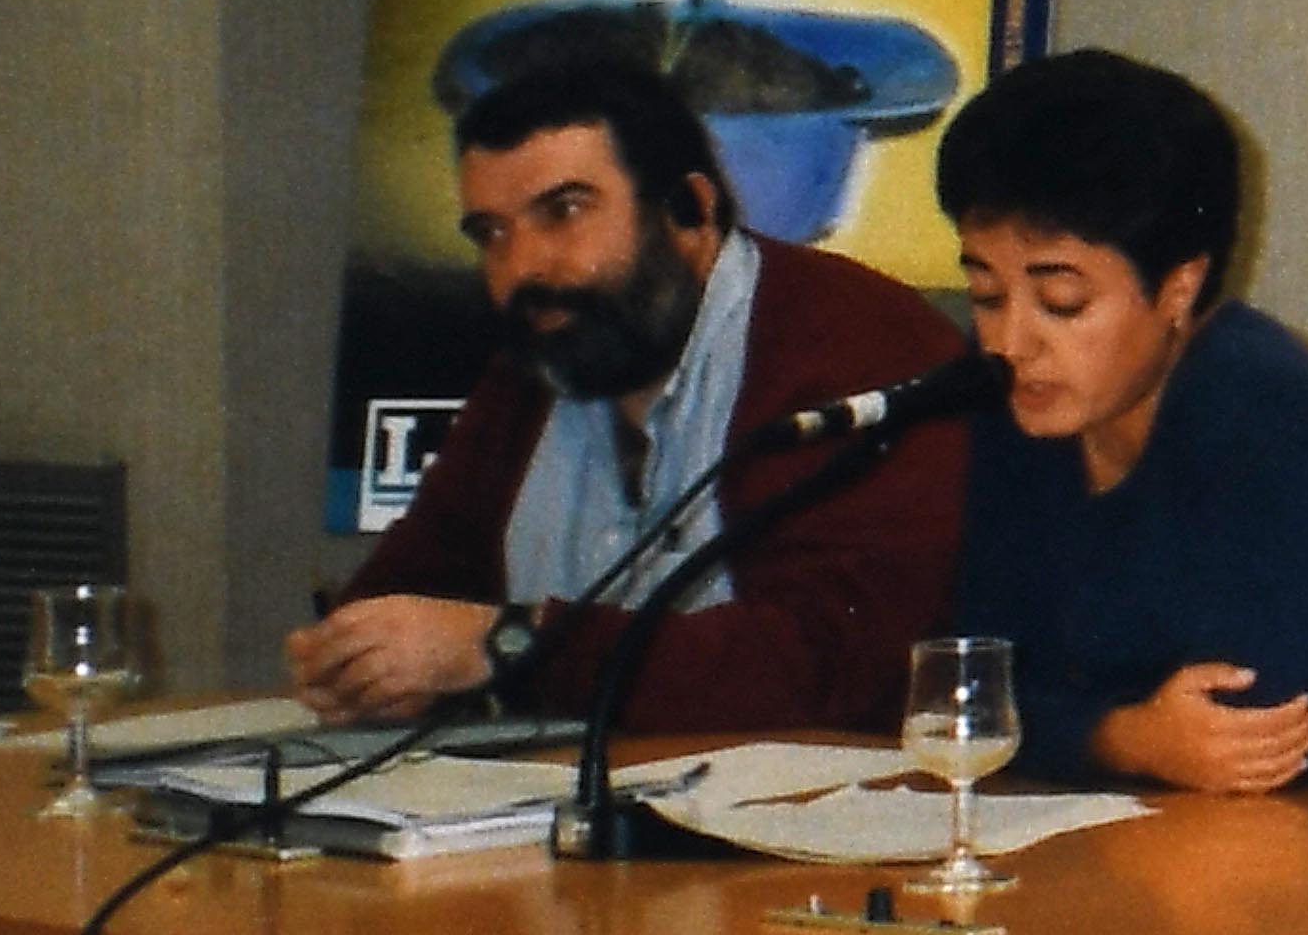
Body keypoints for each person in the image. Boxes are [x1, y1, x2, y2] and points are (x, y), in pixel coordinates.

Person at [292, 53, 974, 735]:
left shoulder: (856, 344)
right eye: (492, 233)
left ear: (691, 212)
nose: (522, 268)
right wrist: (357, 660)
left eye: (564, 211)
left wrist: (515, 644)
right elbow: (412, 588)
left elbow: (835, 667)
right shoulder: (541, 361)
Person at [934, 48, 1308, 793]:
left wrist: (1098, 733)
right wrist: (1121, 737)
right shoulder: (1019, 401)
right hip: (1115, 824)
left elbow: (1242, 740)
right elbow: (966, 694)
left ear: (1179, 286)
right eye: (985, 295)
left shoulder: (1266, 418)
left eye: (1062, 302)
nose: (1011, 342)